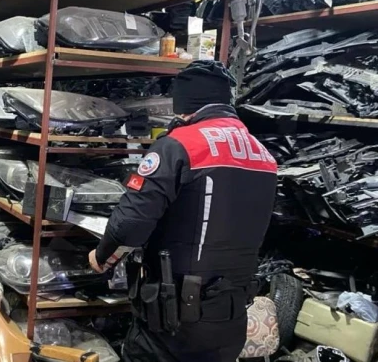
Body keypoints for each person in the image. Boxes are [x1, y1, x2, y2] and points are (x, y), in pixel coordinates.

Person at [88, 60, 278, 362]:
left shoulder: (179, 145)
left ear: (184, 106)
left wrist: (101, 257)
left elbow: (130, 225)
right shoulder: (263, 154)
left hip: (173, 320)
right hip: (231, 317)